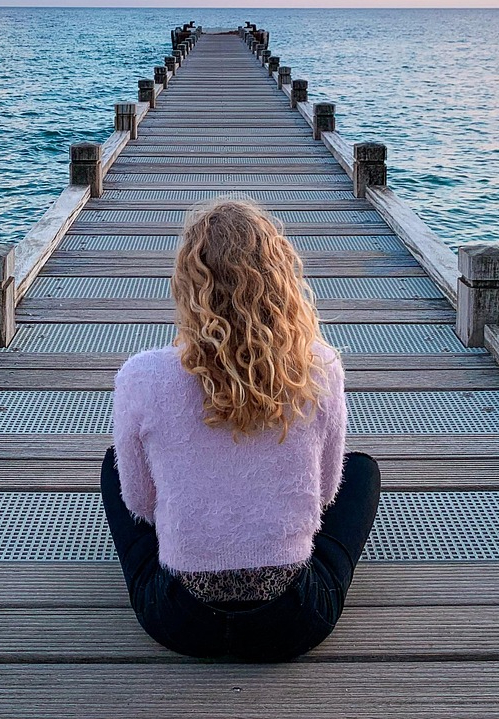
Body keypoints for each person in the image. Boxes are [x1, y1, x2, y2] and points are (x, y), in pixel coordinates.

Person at [100, 197, 381, 661]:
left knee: (115, 464)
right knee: (363, 473)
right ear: (281, 283)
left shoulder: (141, 376)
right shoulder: (321, 367)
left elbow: (140, 505)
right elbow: (327, 493)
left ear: (187, 286)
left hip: (178, 620)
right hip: (293, 621)